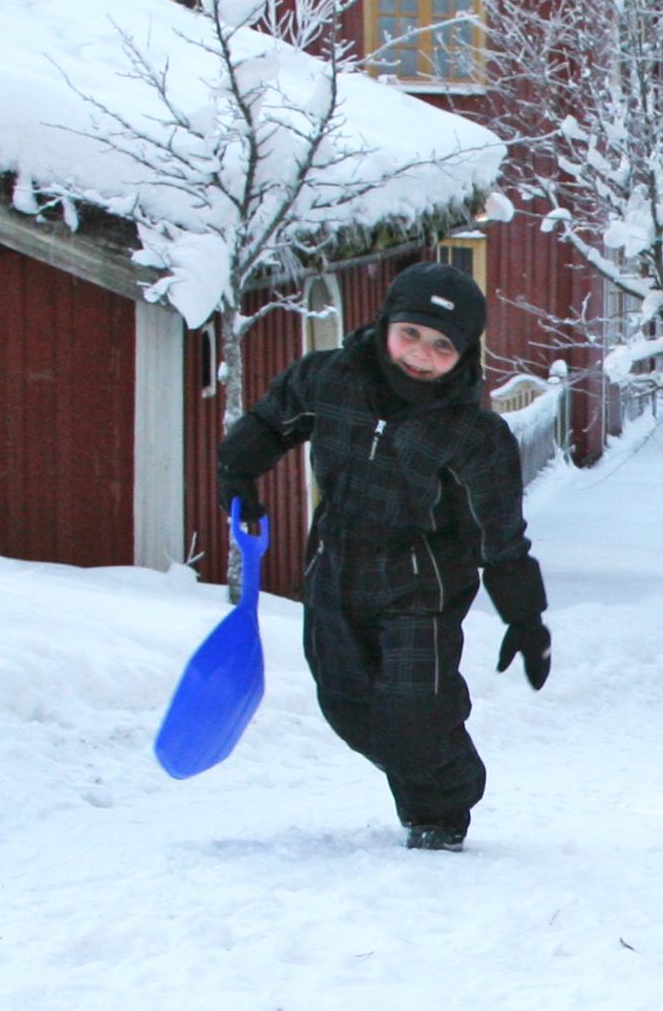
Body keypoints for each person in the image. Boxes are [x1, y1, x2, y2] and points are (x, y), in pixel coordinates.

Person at [219, 258, 552, 850]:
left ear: (465, 353)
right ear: (386, 325)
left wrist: (525, 615)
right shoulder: (329, 379)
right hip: (335, 569)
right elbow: (272, 423)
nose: (420, 354)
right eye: (411, 335)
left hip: (422, 585)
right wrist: (238, 473)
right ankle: (427, 768)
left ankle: (441, 808)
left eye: (442, 345)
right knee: (347, 705)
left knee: (414, 709)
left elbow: (502, 532)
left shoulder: (474, 435)